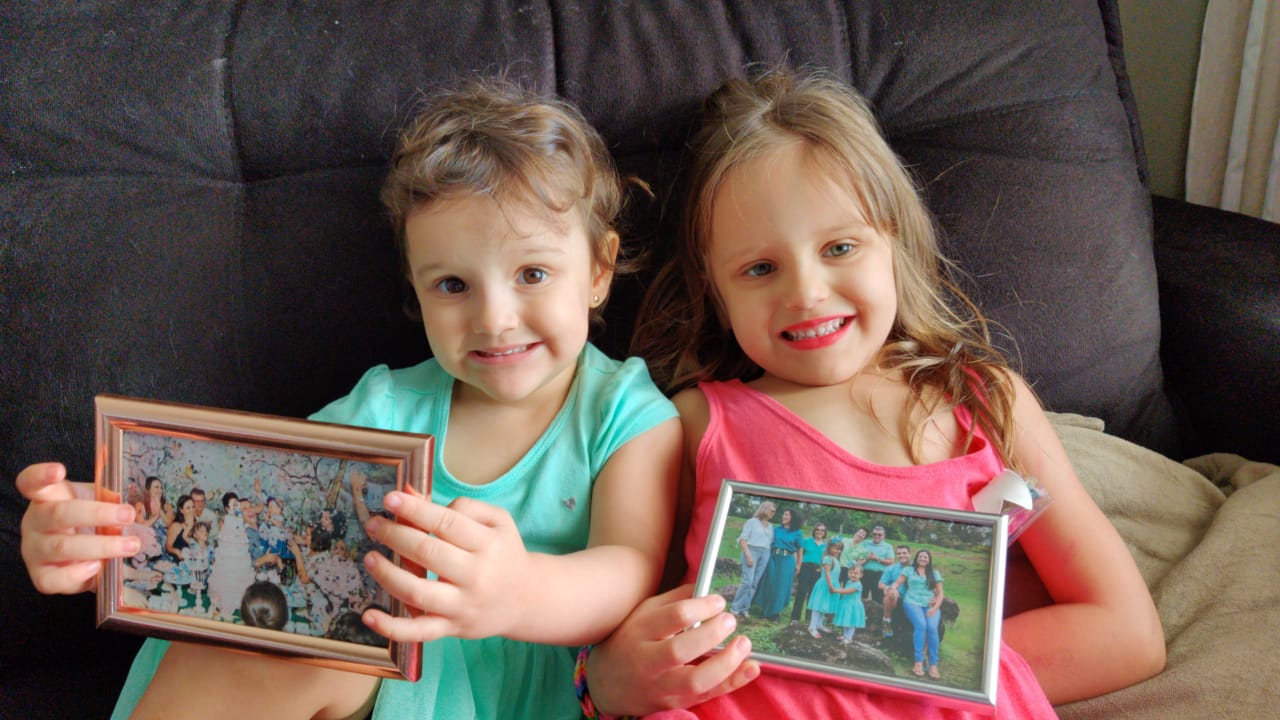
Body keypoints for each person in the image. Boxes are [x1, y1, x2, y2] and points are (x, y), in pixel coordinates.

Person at [16, 77, 682, 720]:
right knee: (267, 630)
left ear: (599, 270)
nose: (494, 318)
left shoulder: (624, 411)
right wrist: (111, 530)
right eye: (453, 285)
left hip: (506, 686)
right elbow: (256, 504)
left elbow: (630, 568)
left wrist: (517, 593)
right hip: (363, 659)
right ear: (416, 288)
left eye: (532, 273)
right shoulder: (387, 407)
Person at [583, 69, 1164, 717]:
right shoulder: (689, 423)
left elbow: (1125, 632)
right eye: (760, 268)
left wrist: (919, 667)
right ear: (714, 289)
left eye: (840, 247)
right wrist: (605, 680)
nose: (806, 293)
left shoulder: (983, 400)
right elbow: (623, 615)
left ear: (895, 242)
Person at [893, 549, 944, 678]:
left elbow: (940, 593)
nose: (922, 559)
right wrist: (892, 589)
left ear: (929, 560)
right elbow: (897, 583)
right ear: (916, 558)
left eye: (925, 557)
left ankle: (933, 664)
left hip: (930, 605)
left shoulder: (934, 573)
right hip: (912, 603)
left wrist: (935, 608)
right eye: (920, 556)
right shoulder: (909, 570)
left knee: (932, 628)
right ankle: (918, 663)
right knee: (921, 626)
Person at [753, 507, 802, 620]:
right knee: (769, 583)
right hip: (773, 557)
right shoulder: (776, 529)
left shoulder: (797, 533)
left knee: (781, 586)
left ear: (793, 518)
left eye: (787, 515)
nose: (784, 516)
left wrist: (798, 565)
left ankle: (775, 612)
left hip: (787, 560)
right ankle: (765, 611)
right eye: (784, 514)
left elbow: (799, 549)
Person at [729, 500, 775, 618]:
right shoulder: (752, 522)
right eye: (772, 510)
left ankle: (744, 609)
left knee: (754, 583)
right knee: (747, 582)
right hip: (751, 551)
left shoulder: (770, 526)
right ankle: (735, 608)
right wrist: (748, 556)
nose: (773, 513)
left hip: (765, 552)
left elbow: (769, 542)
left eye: (774, 511)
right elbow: (742, 539)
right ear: (765, 509)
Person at [789, 522, 829, 625]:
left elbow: (826, 559)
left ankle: (809, 619)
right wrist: (798, 565)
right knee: (801, 592)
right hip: (805, 567)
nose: (820, 532)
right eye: (817, 530)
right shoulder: (807, 541)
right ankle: (795, 618)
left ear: (825, 533)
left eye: (822, 530)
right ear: (814, 531)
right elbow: (798, 553)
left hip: (818, 570)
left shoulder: (826, 546)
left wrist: (822, 569)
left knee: (813, 595)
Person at [805, 540, 842, 639]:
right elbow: (827, 573)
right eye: (836, 548)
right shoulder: (827, 558)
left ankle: (819, 624)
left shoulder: (835, 559)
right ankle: (812, 626)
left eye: (840, 549)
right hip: (825, 584)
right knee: (818, 605)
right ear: (829, 548)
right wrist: (830, 586)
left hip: (833, 584)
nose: (838, 551)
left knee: (824, 605)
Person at [877, 544, 913, 637]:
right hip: (896, 597)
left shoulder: (917, 567)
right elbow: (881, 584)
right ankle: (886, 622)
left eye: (904, 553)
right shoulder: (891, 568)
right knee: (890, 592)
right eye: (899, 553)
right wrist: (886, 588)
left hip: (913, 598)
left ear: (910, 554)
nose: (901, 555)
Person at [854, 525, 894, 602]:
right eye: (875, 534)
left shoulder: (888, 546)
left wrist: (877, 559)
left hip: (879, 575)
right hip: (864, 573)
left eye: (879, 535)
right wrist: (867, 558)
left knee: (877, 598)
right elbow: (858, 558)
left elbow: (891, 562)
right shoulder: (865, 543)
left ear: (884, 536)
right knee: (861, 596)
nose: (877, 536)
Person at [834, 564, 866, 645]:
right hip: (846, 603)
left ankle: (849, 638)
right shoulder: (848, 582)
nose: (853, 575)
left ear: (861, 575)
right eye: (851, 573)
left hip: (853, 605)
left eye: (856, 573)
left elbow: (848, 591)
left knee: (852, 622)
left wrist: (836, 590)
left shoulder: (858, 584)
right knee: (846, 620)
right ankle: (845, 635)